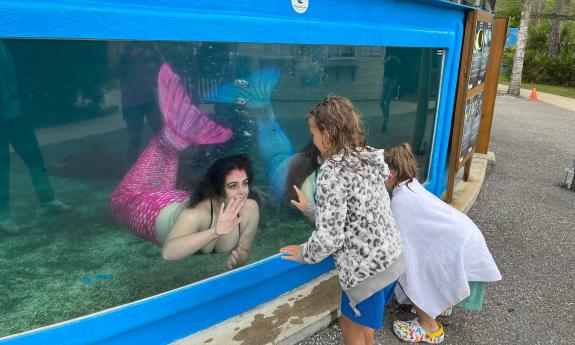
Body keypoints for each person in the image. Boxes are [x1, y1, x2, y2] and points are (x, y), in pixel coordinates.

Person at [280, 96, 405, 345]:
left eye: (313, 133)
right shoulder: (366, 157)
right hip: (393, 259)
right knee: (362, 326)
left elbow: (330, 237)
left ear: (327, 135)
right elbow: (352, 217)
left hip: (366, 273)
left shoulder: (331, 172)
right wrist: (311, 209)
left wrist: (306, 253)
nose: (313, 140)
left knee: (350, 328)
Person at [109, 63, 259, 269]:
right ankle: (172, 136)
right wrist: (216, 231)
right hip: (147, 209)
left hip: (173, 197)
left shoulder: (250, 209)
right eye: (233, 186)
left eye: (245, 183)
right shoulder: (195, 214)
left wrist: (241, 255)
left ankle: (174, 136)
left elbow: (243, 251)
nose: (242, 192)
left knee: (169, 150)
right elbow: (169, 252)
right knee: (119, 200)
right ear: (217, 188)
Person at [383, 143, 502, 344]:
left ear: (392, 173)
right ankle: (440, 303)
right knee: (428, 264)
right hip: (466, 239)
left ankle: (429, 326)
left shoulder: (400, 202)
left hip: (460, 245)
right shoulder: (411, 186)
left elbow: (408, 254)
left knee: (413, 271)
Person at [0, 40, 70, 234]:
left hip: (17, 113)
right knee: (1, 167)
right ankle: (3, 215)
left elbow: (22, 70)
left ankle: (47, 199)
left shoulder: (9, 42)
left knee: (34, 158)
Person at [107, 41, 163, 166]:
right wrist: (125, 57)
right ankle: (130, 170)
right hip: (131, 102)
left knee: (161, 134)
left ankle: (166, 165)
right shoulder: (116, 42)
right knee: (135, 140)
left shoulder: (145, 40)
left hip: (150, 98)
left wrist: (154, 50)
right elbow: (112, 71)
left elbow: (162, 62)